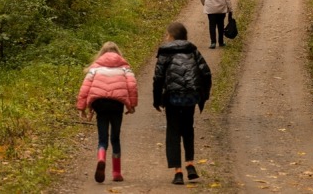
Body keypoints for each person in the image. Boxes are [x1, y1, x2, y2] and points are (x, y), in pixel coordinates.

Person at [153, 22, 212, 185]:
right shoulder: (193, 51)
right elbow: (206, 73)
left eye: (167, 34)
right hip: (190, 97)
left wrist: (156, 100)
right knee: (188, 128)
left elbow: (158, 78)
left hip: (173, 97)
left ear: (171, 37)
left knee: (173, 131)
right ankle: (190, 165)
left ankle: (178, 172)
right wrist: (203, 95)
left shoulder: (165, 52)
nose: (166, 37)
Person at [77, 41, 138, 184]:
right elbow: (132, 85)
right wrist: (132, 105)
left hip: (100, 104)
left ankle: (101, 158)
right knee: (115, 138)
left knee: (102, 138)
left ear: (102, 54)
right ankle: (116, 173)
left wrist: (82, 108)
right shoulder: (124, 67)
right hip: (116, 105)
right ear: (118, 53)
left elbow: (85, 88)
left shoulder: (95, 68)